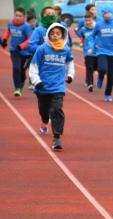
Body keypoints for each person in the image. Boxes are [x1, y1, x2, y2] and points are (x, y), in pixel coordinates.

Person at [29, 23, 75, 151]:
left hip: (58, 87)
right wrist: (36, 81)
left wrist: (70, 75)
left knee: (56, 109)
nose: (55, 35)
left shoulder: (65, 50)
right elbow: (33, 66)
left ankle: (57, 136)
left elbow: (70, 63)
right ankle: (44, 120)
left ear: (62, 35)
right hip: (42, 87)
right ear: (48, 34)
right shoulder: (42, 49)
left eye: (58, 33)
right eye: (52, 33)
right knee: (44, 111)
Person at [92, 5, 113, 102]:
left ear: (112, 14)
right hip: (102, 51)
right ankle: (100, 77)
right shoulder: (99, 25)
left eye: (108, 14)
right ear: (102, 15)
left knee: (112, 75)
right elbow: (92, 36)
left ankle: (108, 94)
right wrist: (93, 46)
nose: (107, 15)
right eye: (105, 14)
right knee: (102, 68)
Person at [1, 7, 32, 96]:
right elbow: (8, 32)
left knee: (22, 70)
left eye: (20, 16)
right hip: (14, 50)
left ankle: (21, 83)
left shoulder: (26, 26)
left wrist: (21, 46)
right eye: (16, 15)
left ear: (23, 17)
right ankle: (17, 88)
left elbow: (29, 39)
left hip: (25, 52)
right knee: (16, 68)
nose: (18, 17)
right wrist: (4, 39)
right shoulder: (11, 23)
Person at [80, 12, 97, 92]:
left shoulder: (97, 28)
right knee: (89, 67)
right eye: (86, 20)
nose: (87, 22)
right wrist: (82, 43)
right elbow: (83, 37)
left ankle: (92, 79)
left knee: (98, 68)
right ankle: (90, 83)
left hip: (97, 52)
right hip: (88, 52)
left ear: (93, 20)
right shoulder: (83, 29)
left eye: (89, 20)